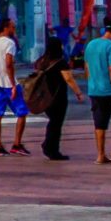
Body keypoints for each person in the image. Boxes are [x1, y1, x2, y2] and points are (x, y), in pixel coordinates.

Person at [28, 34, 76, 162]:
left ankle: (49, 145)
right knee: (56, 124)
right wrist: (78, 92)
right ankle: (52, 149)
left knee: (53, 122)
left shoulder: (43, 61)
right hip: (58, 97)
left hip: (45, 97)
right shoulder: (61, 62)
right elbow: (69, 79)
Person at [0, 23, 30, 157]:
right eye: (12, 27)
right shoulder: (9, 43)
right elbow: (8, 64)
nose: (14, 29)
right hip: (8, 83)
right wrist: (13, 85)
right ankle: (17, 144)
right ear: (5, 28)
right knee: (22, 113)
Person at [84, 23, 111, 165]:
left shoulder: (91, 44)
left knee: (99, 123)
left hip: (94, 89)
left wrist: (92, 81)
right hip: (109, 90)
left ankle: (100, 155)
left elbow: (87, 66)